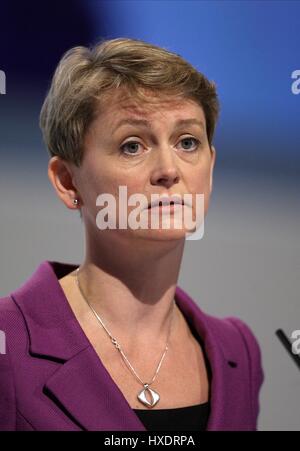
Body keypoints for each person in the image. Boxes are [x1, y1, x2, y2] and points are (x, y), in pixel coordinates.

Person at [0, 37, 264, 431]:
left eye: (187, 141)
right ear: (68, 181)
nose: (169, 169)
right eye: (132, 145)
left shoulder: (237, 352)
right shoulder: (9, 345)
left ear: (210, 167)